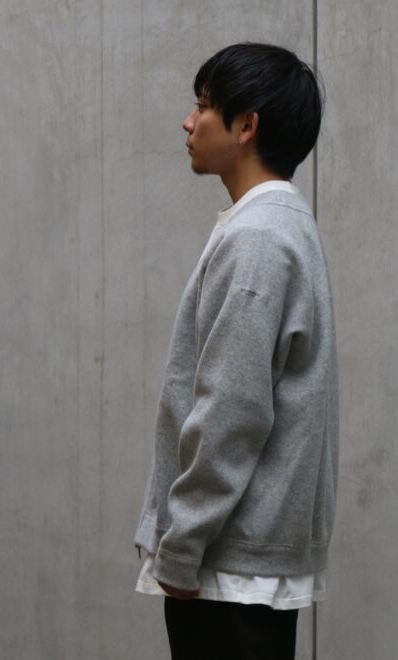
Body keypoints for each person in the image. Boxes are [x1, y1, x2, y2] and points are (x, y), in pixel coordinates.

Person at [134, 42, 339, 660]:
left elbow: (232, 408)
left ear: (246, 126)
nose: (188, 123)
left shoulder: (258, 238)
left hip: (227, 567)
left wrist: (181, 544)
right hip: (241, 560)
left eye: (203, 106)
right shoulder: (278, 225)